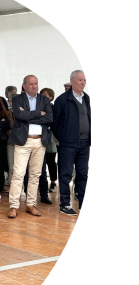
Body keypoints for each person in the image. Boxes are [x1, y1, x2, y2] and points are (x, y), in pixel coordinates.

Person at [7, 75, 53, 219]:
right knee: (18, 174)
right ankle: (13, 206)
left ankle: (30, 204)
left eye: (36, 83)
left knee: (35, 175)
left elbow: (49, 118)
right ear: (24, 86)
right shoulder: (17, 99)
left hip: (40, 141)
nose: (34, 86)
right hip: (23, 141)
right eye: (31, 84)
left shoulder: (44, 99)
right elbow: (19, 114)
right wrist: (39, 113)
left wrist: (28, 115)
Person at [52, 70, 90, 216]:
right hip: (68, 143)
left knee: (82, 174)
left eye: (85, 80)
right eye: (80, 80)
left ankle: (81, 202)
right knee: (66, 174)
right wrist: (62, 137)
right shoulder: (62, 100)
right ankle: (65, 204)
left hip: (84, 143)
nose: (83, 83)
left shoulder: (86, 98)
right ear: (72, 81)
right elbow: (55, 122)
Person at [40, 88, 58, 193]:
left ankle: (53, 181)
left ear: (51, 97)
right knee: (41, 161)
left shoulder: (53, 108)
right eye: (42, 95)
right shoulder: (38, 108)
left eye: (46, 95)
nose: (44, 97)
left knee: (51, 161)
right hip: (40, 136)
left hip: (50, 136)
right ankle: (42, 183)